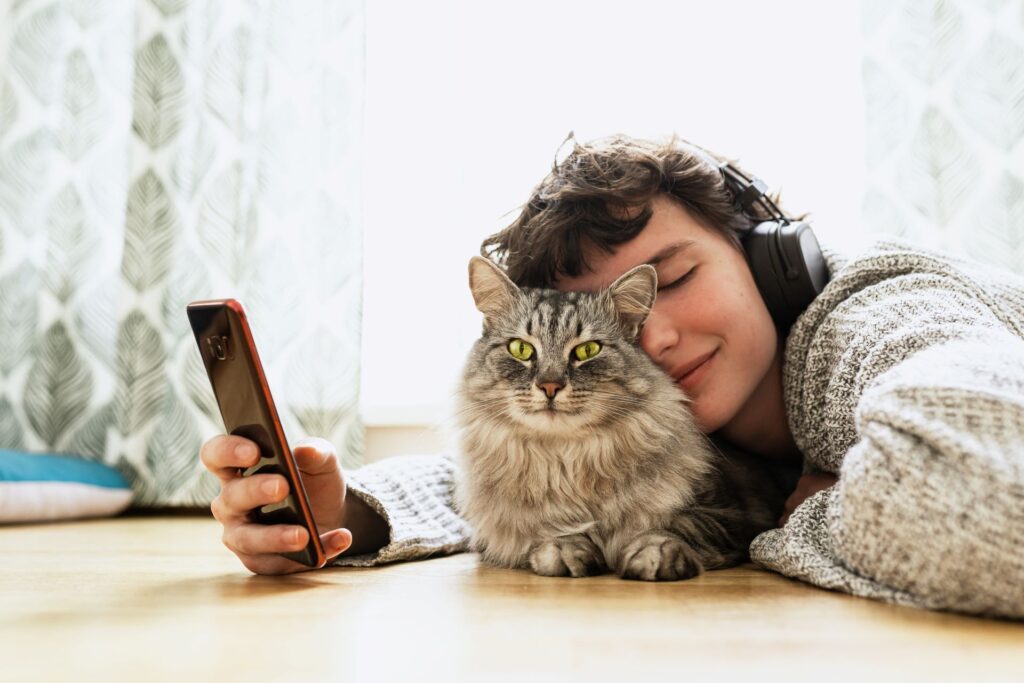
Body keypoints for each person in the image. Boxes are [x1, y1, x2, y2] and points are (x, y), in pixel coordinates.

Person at [200, 134, 1024, 619]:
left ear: (770, 254)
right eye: (609, 330)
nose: (652, 339)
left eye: (676, 275)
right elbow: (546, 479)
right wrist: (346, 513)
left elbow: (992, 505)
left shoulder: (880, 311)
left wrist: (792, 524)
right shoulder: (680, 418)